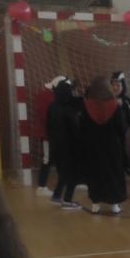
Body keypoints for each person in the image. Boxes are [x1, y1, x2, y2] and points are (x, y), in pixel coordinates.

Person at [80, 76, 128, 215]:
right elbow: (122, 128)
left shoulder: (87, 106)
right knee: (113, 173)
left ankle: (95, 204)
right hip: (112, 146)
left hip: (93, 147)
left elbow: (82, 127)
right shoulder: (115, 106)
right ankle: (114, 205)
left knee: (95, 174)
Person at [46, 78, 84, 210]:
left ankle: (56, 195)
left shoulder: (52, 106)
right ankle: (67, 200)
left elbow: (48, 127)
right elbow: (75, 129)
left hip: (56, 146)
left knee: (63, 173)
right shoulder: (68, 109)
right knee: (72, 174)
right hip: (68, 147)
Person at [34, 75, 66, 196]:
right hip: (48, 135)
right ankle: (41, 187)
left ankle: (67, 181)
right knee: (47, 159)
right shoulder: (46, 97)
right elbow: (47, 117)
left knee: (60, 159)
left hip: (56, 134)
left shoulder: (54, 96)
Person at [111, 71, 130, 180]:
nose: (115, 88)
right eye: (113, 85)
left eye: (117, 85)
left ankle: (129, 170)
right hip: (111, 133)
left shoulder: (127, 101)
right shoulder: (107, 100)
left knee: (124, 152)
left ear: (123, 86)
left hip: (125, 133)